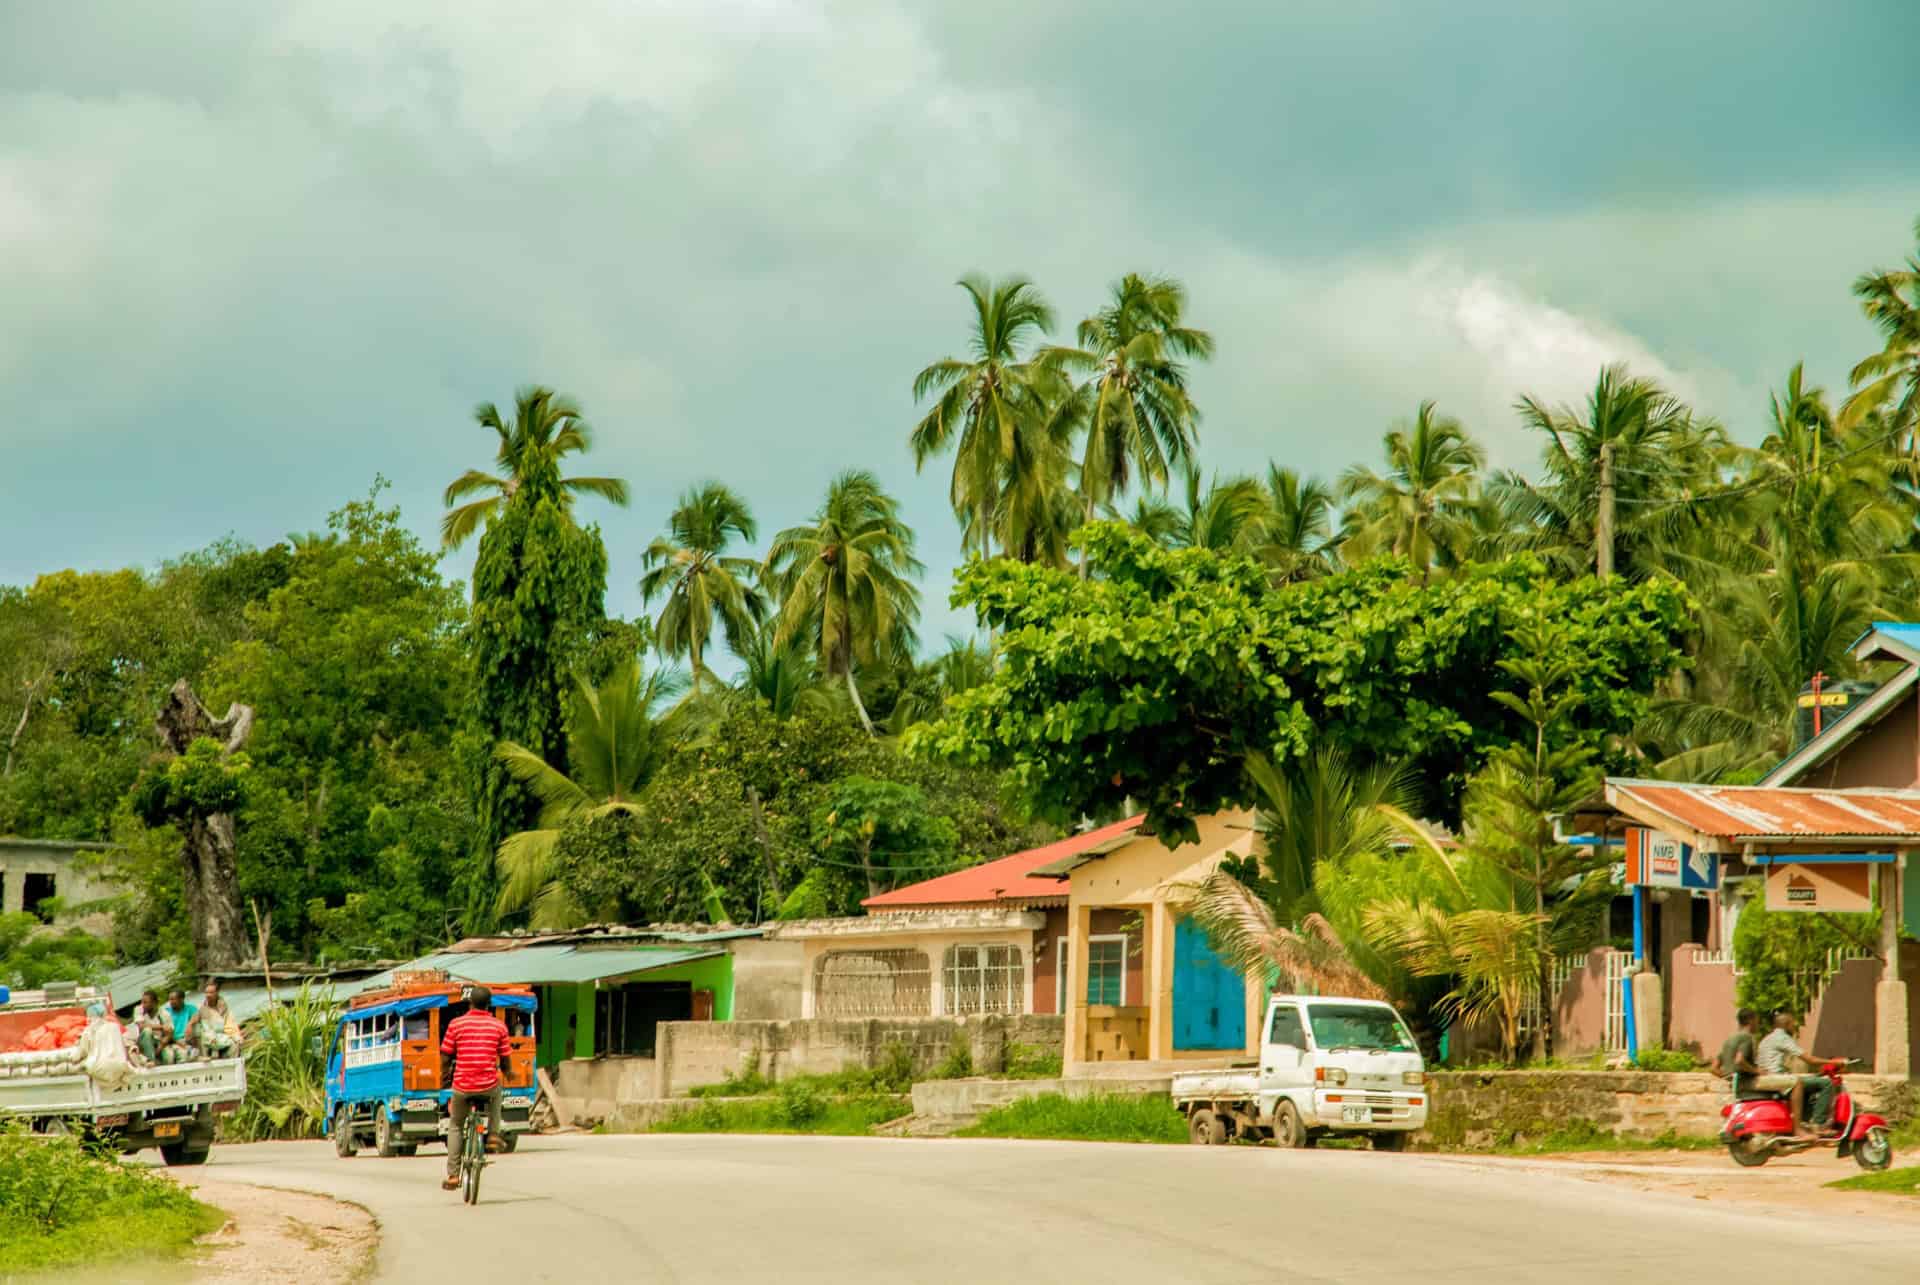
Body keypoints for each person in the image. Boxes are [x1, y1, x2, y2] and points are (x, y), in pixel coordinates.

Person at [441, 985, 513, 1191]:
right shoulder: (499, 1026)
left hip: (462, 1086)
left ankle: (453, 1176)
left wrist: (444, 1077)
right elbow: (506, 1060)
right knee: (498, 1092)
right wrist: (508, 1073)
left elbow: (446, 1055)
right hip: (488, 1085)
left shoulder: (456, 1025)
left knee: (455, 1125)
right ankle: (492, 1134)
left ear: (469, 1002)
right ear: (489, 1005)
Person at [1755, 1009, 1843, 1135]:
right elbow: (1810, 1060)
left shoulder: (1767, 1038)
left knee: (1811, 1082)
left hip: (1770, 1080)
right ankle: (1818, 1125)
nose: (1794, 1028)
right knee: (1826, 1084)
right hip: (1778, 1080)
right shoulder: (1782, 1038)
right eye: (1792, 1024)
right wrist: (1835, 1062)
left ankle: (1805, 1121)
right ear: (1786, 1025)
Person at [1713, 1008, 1764, 1101]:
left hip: (1735, 1087)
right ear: (1750, 1020)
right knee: (1777, 1095)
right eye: (1757, 1021)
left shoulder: (1729, 1040)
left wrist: (1730, 1078)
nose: (1758, 1024)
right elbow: (1739, 1061)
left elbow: (1713, 1068)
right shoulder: (1746, 1037)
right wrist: (1757, 1071)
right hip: (1745, 1086)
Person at [190, 979, 239, 1059]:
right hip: (207, 1037)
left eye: (211, 992)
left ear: (217, 993)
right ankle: (203, 1056)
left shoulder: (223, 1007)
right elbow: (195, 1024)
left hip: (221, 1036)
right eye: (206, 992)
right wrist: (190, 1025)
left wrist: (235, 1035)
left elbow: (229, 1023)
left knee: (235, 1044)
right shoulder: (201, 1008)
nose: (208, 995)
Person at [129, 989, 169, 1063]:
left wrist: (159, 1048)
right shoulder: (138, 1010)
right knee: (147, 1031)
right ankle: (151, 1061)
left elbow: (169, 1033)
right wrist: (161, 1027)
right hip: (142, 1042)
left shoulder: (164, 1013)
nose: (143, 1005)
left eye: (145, 1002)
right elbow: (141, 1026)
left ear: (154, 1003)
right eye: (142, 1002)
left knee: (169, 1057)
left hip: (159, 1043)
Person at [161, 988, 198, 1064]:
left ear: (181, 999)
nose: (171, 1002)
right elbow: (167, 1033)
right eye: (170, 1000)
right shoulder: (166, 1012)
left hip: (187, 1039)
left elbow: (197, 1016)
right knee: (181, 1055)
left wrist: (190, 1024)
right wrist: (179, 1043)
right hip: (173, 1041)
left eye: (173, 999)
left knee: (198, 1027)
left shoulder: (190, 1008)